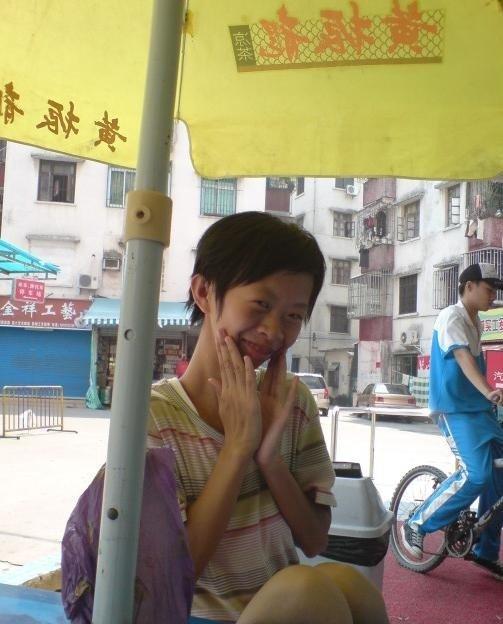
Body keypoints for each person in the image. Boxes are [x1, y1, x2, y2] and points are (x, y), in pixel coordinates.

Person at [148, 212, 389, 624]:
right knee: (306, 587)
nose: (274, 331)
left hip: (282, 605)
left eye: (293, 316)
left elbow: (314, 540)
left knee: (347, 584)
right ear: (204, 292)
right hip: (194, 615)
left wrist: (269, 458)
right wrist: (238, 448)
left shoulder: (291, 402)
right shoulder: (155, 416)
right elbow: (175, 572)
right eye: (261, 304)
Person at [402, 262, 503, 580]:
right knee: (476, 475)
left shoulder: (475, 321)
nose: (493, 296)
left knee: (499, 476)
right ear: (469, 286)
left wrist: (487, 397)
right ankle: (417, 523)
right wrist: (489, 391)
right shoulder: (452, 316)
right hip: (455, 411)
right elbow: (462, 359)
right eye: (489, 289)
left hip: (480, 412)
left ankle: (485, 550)